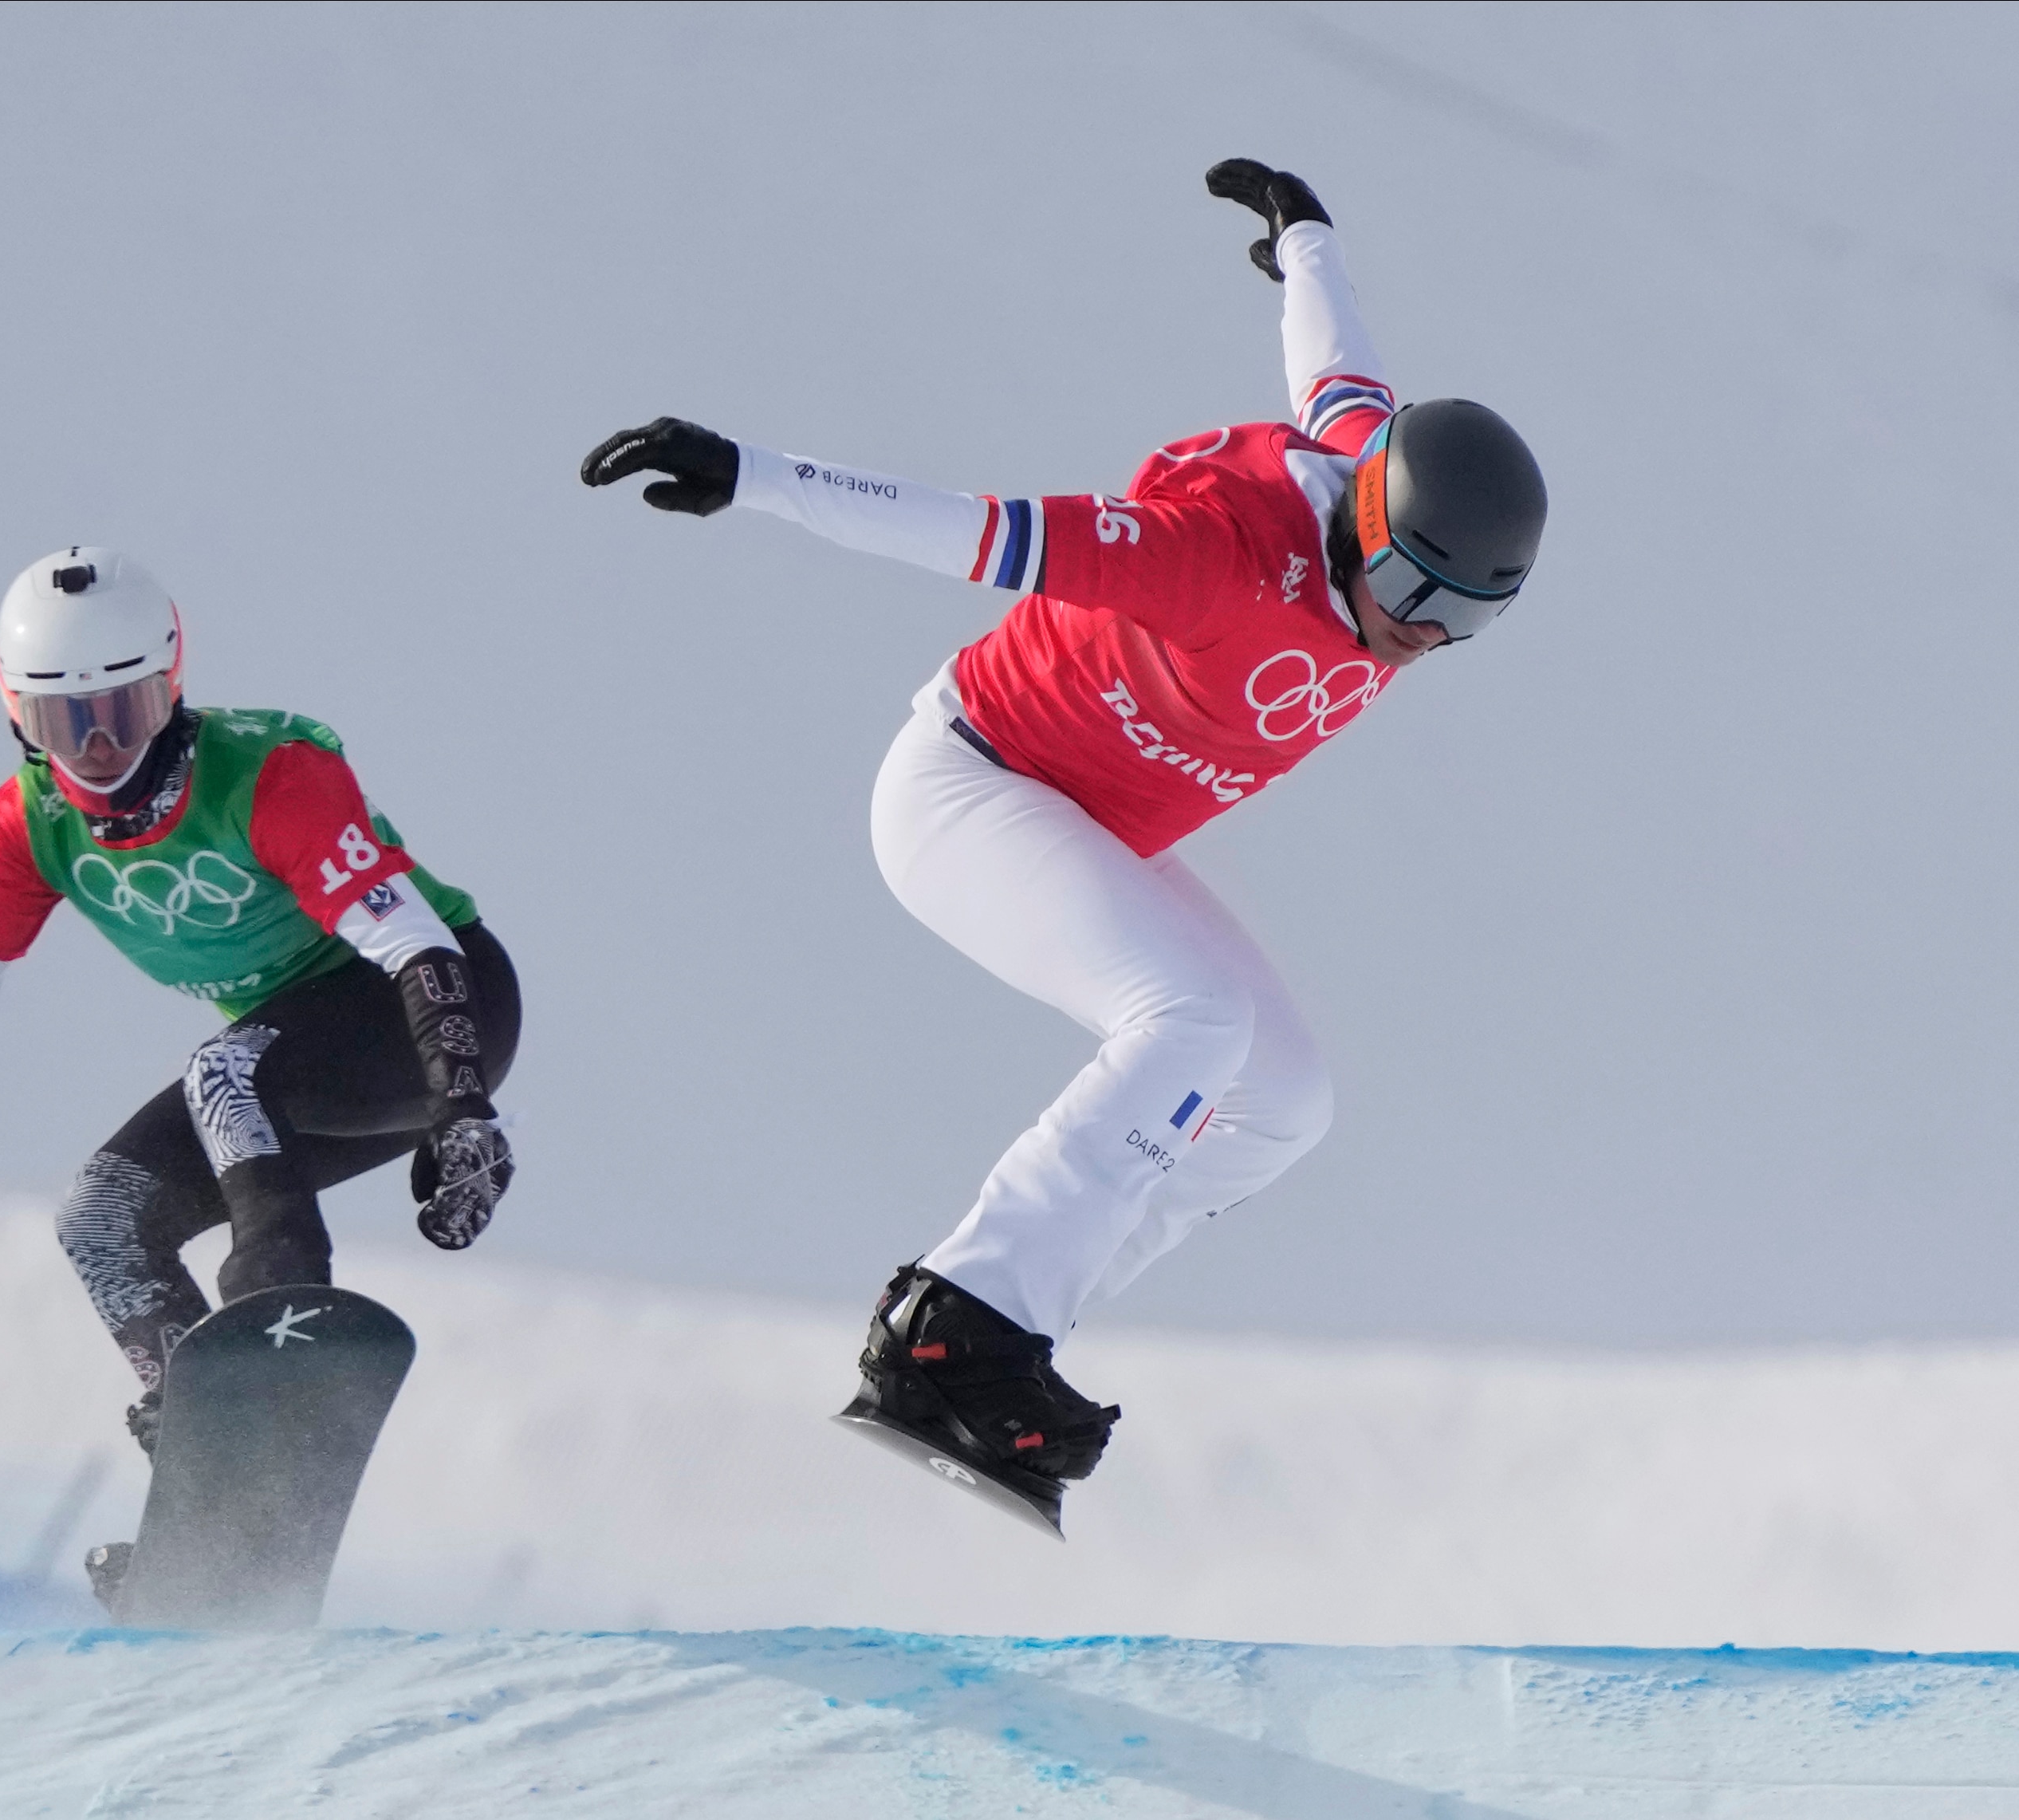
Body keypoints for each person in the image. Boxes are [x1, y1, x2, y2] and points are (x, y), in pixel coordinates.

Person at [578, 160, 1546, 1511]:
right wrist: (750, 475)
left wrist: (1306, 242)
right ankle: (952, 1324)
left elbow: (1337, 369)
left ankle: (1012, 1342)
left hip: (1090, 824)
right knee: (1190, 1020)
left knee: (1281, 1102)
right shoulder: (1207, 550)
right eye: (1402, 585)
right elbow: (970, 534)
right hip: (965, 790)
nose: (1412, 632)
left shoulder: (1375, 467)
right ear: (1366, 517)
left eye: (1462, 622)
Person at [0, 547, 518, 1456]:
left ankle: (277, 1342)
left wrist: (462, 1108)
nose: (101, 752)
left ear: (171, 684)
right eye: (67, 723)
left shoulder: (271, 775)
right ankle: (213, 1451)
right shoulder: (23, 823)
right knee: (100, 1216)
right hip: (281, 1071)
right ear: (16, 713)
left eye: (124, 712)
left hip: (439, 1010)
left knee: (226, 1071)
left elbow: (414, 942)